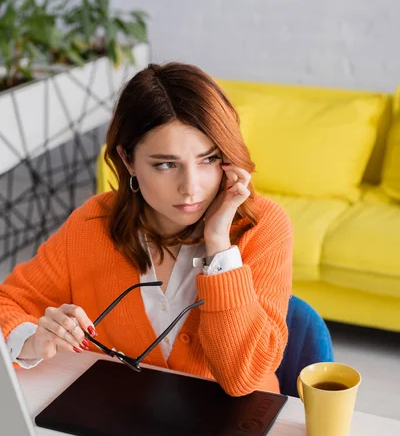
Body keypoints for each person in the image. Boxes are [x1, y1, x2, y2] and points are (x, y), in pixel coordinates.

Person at [0, 62, 293, 396]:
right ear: (128, 161)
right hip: (117, 419)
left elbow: (245, 378)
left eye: (209, 159)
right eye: (166, 164)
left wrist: (219, 245)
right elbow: (6, 303)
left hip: (234, 429)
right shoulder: (92, 223)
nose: (191, 187)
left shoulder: (263, 226)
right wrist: (31, 341)